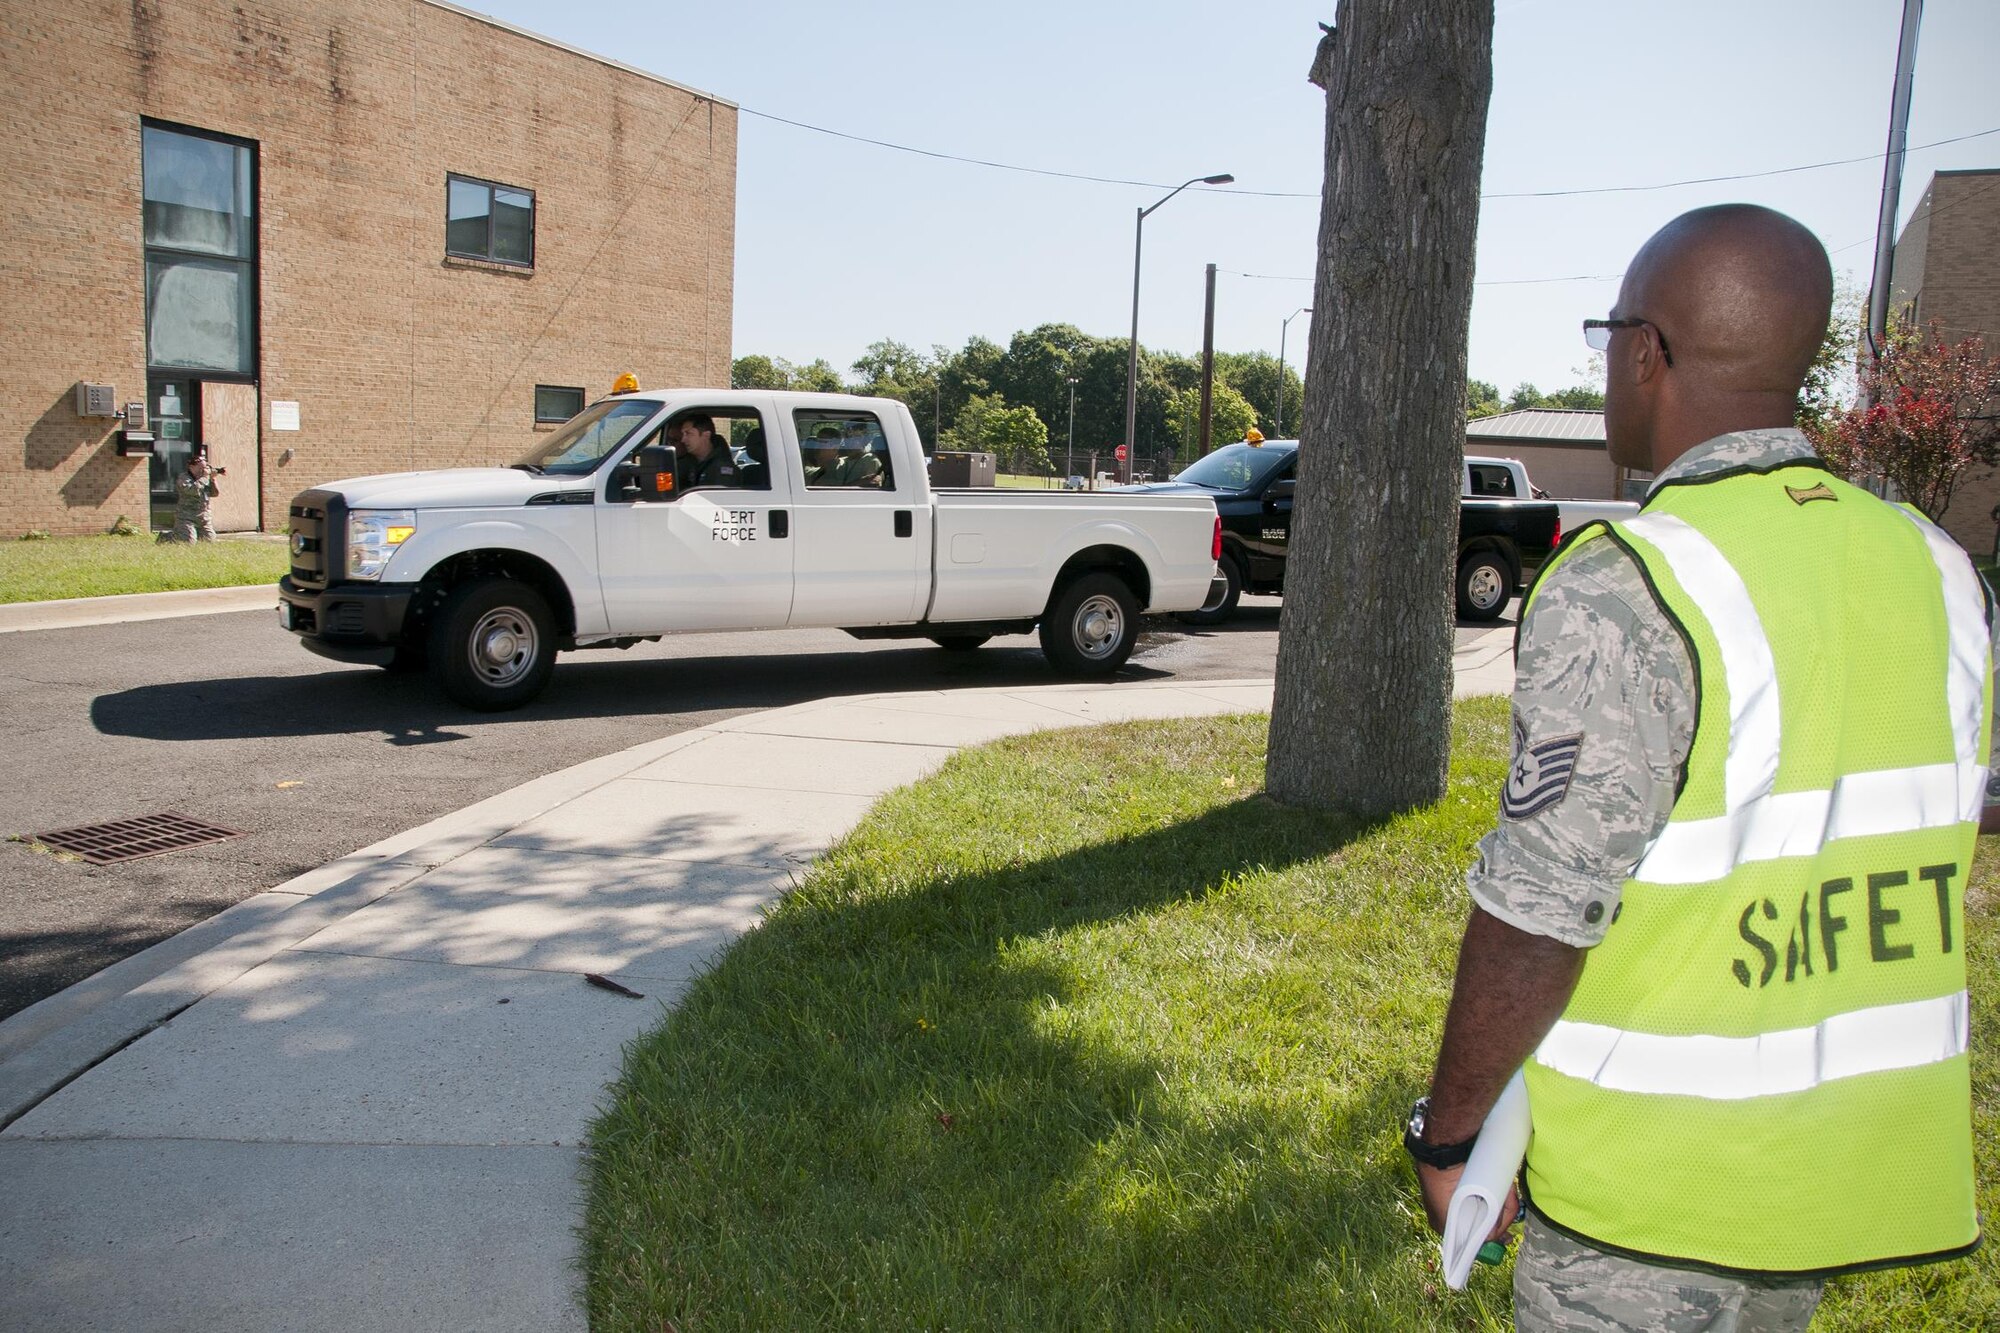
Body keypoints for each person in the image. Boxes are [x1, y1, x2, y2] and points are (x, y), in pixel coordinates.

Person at [1410, 204, 1995, 1333]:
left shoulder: (1629, 579)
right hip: (1827, 1173)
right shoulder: (1932, 564)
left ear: (1645, 351)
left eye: (1607, 341)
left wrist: (1448, 1127)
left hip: (1648, 1198)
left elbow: (1539, 907)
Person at [162, 445, 221, 543]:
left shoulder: (205, 478)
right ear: (192, 467)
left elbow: (215, 494)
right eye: (201, 468)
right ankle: (166, 537)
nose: (203, 470)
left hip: (203, 517)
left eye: (205, 468)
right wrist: (205, 477)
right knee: (188, 542)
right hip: (186, 517)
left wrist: (213, 479)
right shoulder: (184, 478)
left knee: (209, 541)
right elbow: (192, 490)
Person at [674, 414, 740, 489]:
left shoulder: (721, 470)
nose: (683, 439)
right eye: (683, 434)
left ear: (706, 435)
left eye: (688, 433)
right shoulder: (688, 463)